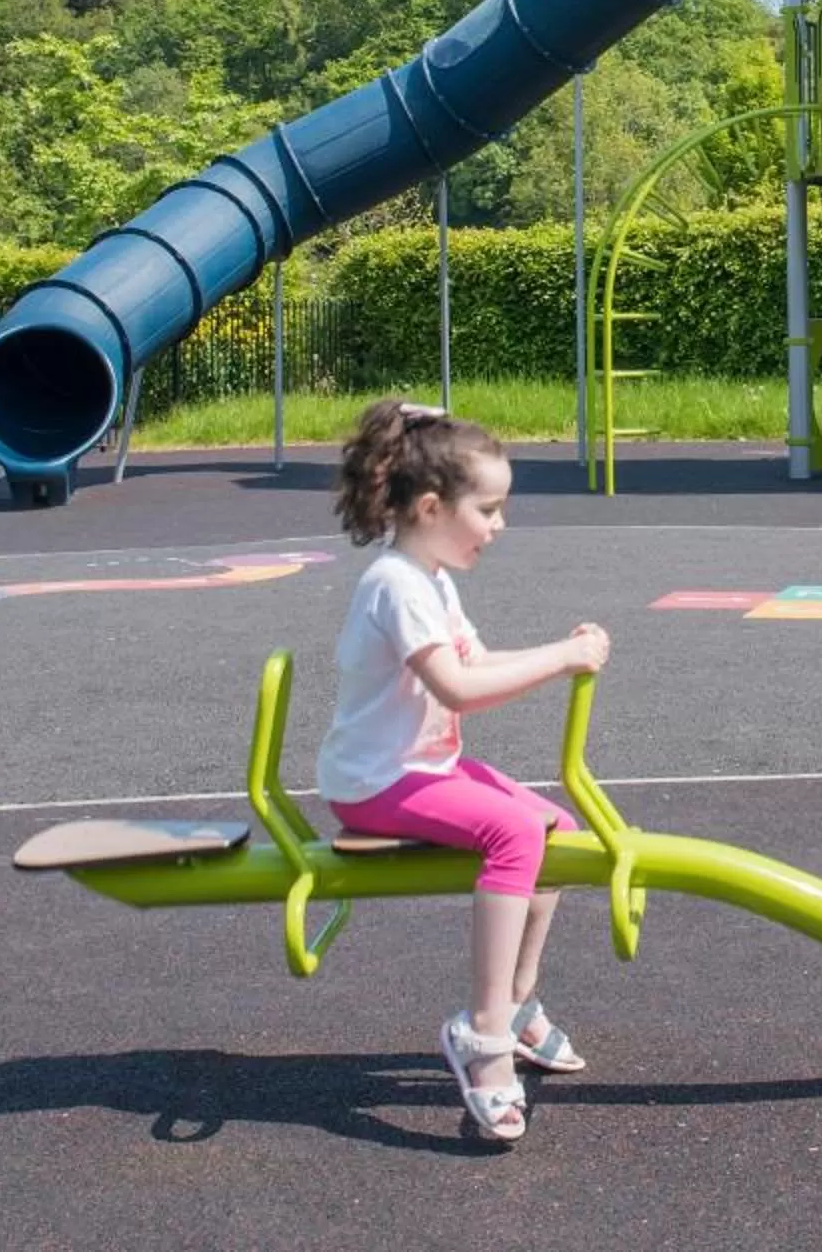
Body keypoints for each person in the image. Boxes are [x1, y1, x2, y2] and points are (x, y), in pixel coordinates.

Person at [318, 400, 609, 1142]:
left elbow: (475, 662)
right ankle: (482, 1037)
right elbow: (458, 689)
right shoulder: (396, 585)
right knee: (515, 834)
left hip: (420, 767)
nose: (499, 526)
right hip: (378, 782)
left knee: (556, 830)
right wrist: (563, 659)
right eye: (489, 509)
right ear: (430, 507)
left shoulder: (432, 577)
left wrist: (556, 648)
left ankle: (515, 1000)